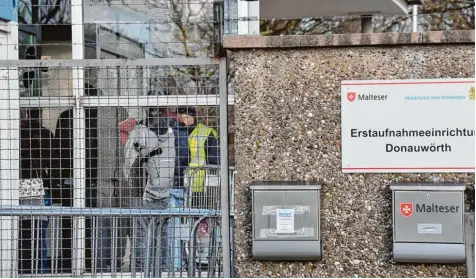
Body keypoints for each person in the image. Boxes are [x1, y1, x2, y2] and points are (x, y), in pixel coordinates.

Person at [121, 90, 176, 273]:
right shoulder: (165, 132)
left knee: (153, 237)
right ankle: (147, 271)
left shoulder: (161, 131)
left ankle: (153, 271)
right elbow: (130, 165)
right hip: (149, 193)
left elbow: (128, 165)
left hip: (160, 193)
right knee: (151, 236)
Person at [176, 107, 219, 208]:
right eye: (181, 118)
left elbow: (214, 160)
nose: (183, 121)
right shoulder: (176, 132)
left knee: (197, 213)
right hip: (179, 182)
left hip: (199, 184)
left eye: (185, 117)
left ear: (192, 117)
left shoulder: (207, 132)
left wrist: (213, 184)